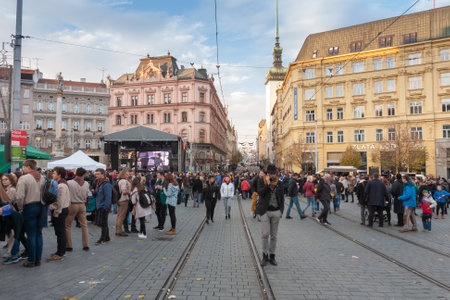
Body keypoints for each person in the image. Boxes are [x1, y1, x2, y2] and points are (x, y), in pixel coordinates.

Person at [15, 159, 45, 267]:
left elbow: (19, 196)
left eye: (23, 166)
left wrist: (20, 207)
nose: (23, 168)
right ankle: (38, 259)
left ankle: (31, 260)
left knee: (31, 234)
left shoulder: (24, 178)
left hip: (29, 207)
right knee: (39, 234)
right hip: (41, 207)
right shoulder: (42, 178)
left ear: (27, 167)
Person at [255, 164, 284, 266]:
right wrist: (267, 184)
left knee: (274, 235)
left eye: (272, 174)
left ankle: (272, 256)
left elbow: (282, 197)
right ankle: (264, 256)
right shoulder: (261, 181)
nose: (271, 176)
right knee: (265, 234)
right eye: (269, 174)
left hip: (276, 211)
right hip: (265, 211)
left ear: (275, 174)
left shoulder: (280, 183)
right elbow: (260, 193)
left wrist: (281, 211)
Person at [47, 167, 70, 262]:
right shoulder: (61, 184)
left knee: (60, 233)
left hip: (60, 210)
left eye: (54, 173)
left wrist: (56, 212)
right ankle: (60, 251)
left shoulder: (61, 186)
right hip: (62, 209)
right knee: (60, 232)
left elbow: (59, 202)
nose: (53, 175)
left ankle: (60, 253)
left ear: (59, 175)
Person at [66, 168, 90, 252]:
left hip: (72, 204)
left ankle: (69, 245)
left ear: (76, 173)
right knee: (84, 225)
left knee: (67, 225)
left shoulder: (69, 183)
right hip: (82, 204)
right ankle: (86, 244)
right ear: (84, 174)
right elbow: (87, 195)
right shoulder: (86, 183)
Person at [94, 168, 112, 244]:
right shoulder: (98, 183)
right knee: (104, 222)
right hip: (99, 205)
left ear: (102, 174)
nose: (96, 175)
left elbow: (108, 196)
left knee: (103, 223)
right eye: (96, 174)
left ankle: (103, 238)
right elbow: (97, 194)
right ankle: (107, 237)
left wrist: (105, 207)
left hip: (103, 206)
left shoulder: (106, 184)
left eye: (98, 174)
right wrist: (94, 193)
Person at [115, 169, 131, 237]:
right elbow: (124, 191)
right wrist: (130, 192)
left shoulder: (119, 181)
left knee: (119, 215)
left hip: (119, 199)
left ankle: (118, 230)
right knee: (122, 216)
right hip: (123, 200)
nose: (128, 176)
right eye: (126, 174)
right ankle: (119, 231)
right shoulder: (124, 181)